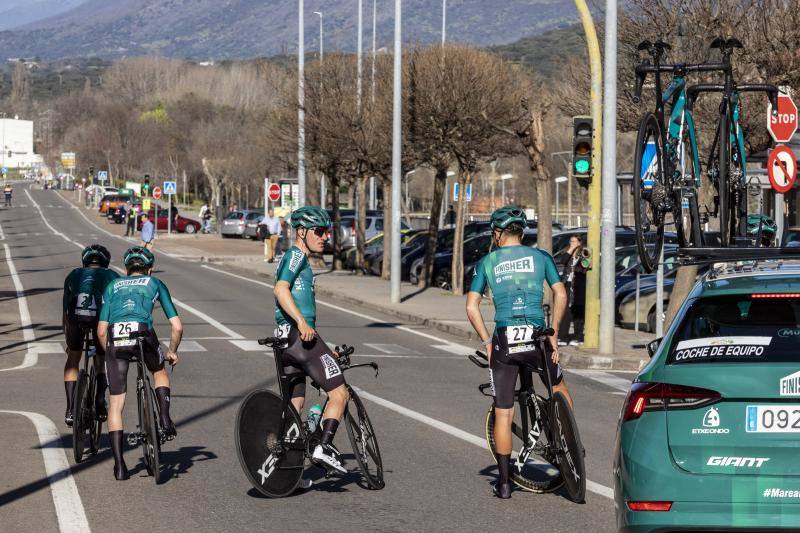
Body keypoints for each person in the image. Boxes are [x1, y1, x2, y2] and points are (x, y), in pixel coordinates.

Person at [465, 206, 573, 499]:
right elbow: (560, 293)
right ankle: (570, 444)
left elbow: (471, 306)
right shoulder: (541, 257)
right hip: (537, 335)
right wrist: (554, 334)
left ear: (498, 233)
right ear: (521, 232)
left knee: (504, 411)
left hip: (505, 339)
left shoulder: (487, 262)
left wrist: (487, 342)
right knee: (558, 387)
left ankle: (503, 483)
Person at [273, 206, 350, 474]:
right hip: (298, 339)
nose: (325, 236)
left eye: (327, 231)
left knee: (296, 404)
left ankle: (288, 470)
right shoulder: (295, 256)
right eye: (319, 231)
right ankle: (323, 447)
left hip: (287, 343)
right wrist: (301, 322)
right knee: (340, 393)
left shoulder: (301, 261)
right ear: (301, 232)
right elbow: (281, 289)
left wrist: (325, 348)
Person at [97, 247, 182, 480]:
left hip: (116, 337)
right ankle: (164, 417)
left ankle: (120, 467)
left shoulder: (112, 286)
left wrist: (111, 353)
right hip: (143, 334)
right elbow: (177, 326)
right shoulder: (155, 283)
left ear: (125, 269)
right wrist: (172, 351)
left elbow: (101, 330)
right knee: (159, 370)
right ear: (150, 268)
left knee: (116, 404)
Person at [62, 245, 119, 426]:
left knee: (73, 358)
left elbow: (65, 311)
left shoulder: (73, 274)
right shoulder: (112, 275)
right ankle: (100, 400)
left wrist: (67, 339)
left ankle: (71, 409)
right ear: (105, 262)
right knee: (101, 357)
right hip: (98, 320)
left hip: (75, 318)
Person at [559, 235, 588, 346]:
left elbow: (585, 267)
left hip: (579, 285)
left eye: (574, 241)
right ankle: (563, 336)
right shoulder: (568, 252)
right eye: (571, 241)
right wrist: (571, 249)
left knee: (578, 310)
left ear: (580, 242)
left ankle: (578, 337)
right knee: (565, 311)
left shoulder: (584, 252)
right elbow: (563, 261)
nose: (572, 243)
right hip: (567, 283)